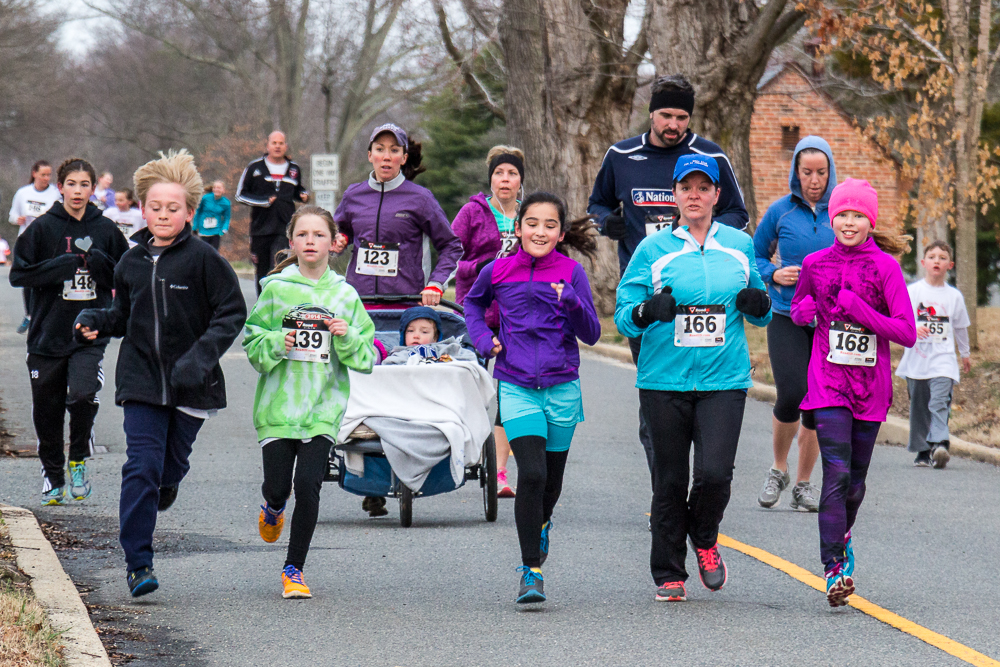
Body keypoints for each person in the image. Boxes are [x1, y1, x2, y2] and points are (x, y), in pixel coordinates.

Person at [74, 150, 247, 598]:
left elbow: (231, 312)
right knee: (141, 466)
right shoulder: (130, 263)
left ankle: (168, 481)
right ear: (143, 209)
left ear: (189, 212)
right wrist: (97, 319)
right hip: (142, 381)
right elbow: (122, 315)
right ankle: (138, 563)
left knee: (171, 466)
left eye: (173, 208)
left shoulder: (205, 260)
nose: (164, 214)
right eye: (156, 207)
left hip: (193, 383)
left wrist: (199, 358)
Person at [614, 154, 772, 602]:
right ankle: (668, 571)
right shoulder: (653, 251)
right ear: (676, 195)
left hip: (724, 379)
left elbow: (759, 305)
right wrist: (647, 311)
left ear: (717, 196)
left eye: (704, 188)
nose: (695, 195)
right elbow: (624, 317)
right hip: (664, 380)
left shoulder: (739, 246)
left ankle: (704, 537)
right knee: (668, 479)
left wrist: (758, 305)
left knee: (715, 474)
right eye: (687, 187)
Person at [588, 74, 749, 486]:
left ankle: (702, 480)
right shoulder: (621, 155)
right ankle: (666, 489)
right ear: (651, 113)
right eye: (666, 115)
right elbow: (597, 204)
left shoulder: (711, 156)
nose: (673, 124)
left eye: (681, 116)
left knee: (702, 398)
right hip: (648, 295)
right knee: (657, 396)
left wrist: (699, 227)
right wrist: (610, 223)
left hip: (707, 294)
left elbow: (738, 215)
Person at [465, 191, 601, 604]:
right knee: (534, 474)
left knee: (552, 484)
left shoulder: (572, 272)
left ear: (560, 233)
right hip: (517, 383)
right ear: (519, 227)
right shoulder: (499, 270)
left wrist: (573, 301)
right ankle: (531, 570)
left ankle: (543, 523)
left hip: (562, 387)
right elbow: (473, 303)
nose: (540, 231)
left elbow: (592, 333)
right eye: (532, 223)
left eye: (549, 225)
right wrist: (483, 339)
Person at [790, 178, 915, 607]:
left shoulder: (886, 268)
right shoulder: (814, 263)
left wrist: (859, 308)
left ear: (869, 221)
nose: (848, 221)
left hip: (870, 387)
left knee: (856, 485)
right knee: (837, 474)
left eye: (857, 215)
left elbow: (906, 332)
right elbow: (800, 307)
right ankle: (833, 569)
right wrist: (803, 311)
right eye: (842, 213)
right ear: (832, 217)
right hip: (827, 382)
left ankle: (842, 537)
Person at [243, 205, 376, 599]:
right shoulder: (277, 289)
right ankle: (273, 505)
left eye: (319, 235)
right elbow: (252, 343)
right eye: (303, 235)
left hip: (323, 407)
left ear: (333, 243)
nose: (311, 242)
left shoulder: (345, 295)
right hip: (279, 407)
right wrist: (274, 342)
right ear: (292, 243)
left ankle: (294, 569)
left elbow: (368, 355)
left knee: (309, 484)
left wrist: (346, 335)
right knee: (279, 486)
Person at [333, 122, 463, 517]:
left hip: (406, 307)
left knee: (400, 386)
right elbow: (336, 233)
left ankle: (399, 465)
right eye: (380, 149)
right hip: (360, 308)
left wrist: (437, 284)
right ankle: (367, 475)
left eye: (394, 150)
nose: (386, 156)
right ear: (370, 155)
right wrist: (337, 239)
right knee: (363, 387)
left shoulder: (419, 198)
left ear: (404, 158)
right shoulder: (354, 195)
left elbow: (450, 245)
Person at [9, 157, 129, 506]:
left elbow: (125, 276)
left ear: (94, 189)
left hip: (89, 333)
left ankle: (77, 459)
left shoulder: (105, 229)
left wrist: (101, 265)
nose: (78, 191)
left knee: (80, 395)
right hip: (47, 333)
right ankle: (52, 473)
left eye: (85, 185)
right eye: (71, 184)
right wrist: (57, 268)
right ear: (60, 187)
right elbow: (19, 275)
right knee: (46, 410)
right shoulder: (43, 228)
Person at [752, 136, 838, 512]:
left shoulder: (841, 211)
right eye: (807, 172)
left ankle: (803, 484)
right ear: (796, 172)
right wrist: (772, 273)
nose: (814, 179)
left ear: (830, 172)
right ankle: (778, 469)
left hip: (829, 321)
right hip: (787, 313)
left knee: (818, 403)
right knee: (791, 392)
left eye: (821, 172)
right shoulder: (780, 212)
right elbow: (754, 254)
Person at [452, 145, 525, 498]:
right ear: (491, 178)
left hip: (518, 315)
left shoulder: (529, 215)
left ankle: (498, 471)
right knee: (474, 387)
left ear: (520, 180)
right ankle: (465, 450)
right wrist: (480, 268)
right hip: (477, 311)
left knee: (510, 393)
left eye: (512, 173)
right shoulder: (472, 212)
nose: (505, 180)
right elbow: (451, 256)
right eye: (499, 173)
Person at [894, 240, 971, 469]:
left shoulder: (954, 296)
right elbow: (899, 319)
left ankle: (940, 444)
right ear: (923, 262)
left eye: (943, 257)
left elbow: (960, 327)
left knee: (939, 402)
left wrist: (965, 353)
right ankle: (922, 450)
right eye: (933, 257)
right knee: (919, 405)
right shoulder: (913, 291)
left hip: (943, 359)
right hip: (916, 359)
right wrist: (913, 328)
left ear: (951, 265)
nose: (937, 260)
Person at [236, 131, 309, 293]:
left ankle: (279, 306)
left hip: (284, 227)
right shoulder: (255, 168)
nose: (277, 146)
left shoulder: (294, 169)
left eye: (281, 143)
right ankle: (263, 306)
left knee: (280, 267)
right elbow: (240, 195)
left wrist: (303, 195)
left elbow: (296, 191)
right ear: (267, 145)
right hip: (260, 229)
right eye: (274, 143)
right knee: (262, 272)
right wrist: (264, 201)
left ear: (286, 146)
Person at [8, 160, 61, 334]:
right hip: (27, 240)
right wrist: (18, 220)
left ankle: (48, 315)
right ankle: (30, 315)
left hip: (48, 241)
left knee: (48, 277)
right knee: (28, 279)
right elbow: (12, 215)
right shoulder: (23, 193)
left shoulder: (54, 193)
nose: (46, 178)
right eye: (43, 174)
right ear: (34, 173)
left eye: (49, 175)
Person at [192, 180, 232, 250]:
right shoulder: (205, 198)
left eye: (219, 188)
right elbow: (198, 211)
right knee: (203, 251)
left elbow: (227, 218)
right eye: (215, 187)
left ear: (223, 190)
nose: (216, 189)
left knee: (214, 252)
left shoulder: (226, 203)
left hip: (216, 231)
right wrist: (195, 226)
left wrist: (224, 229)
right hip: (204, 229)